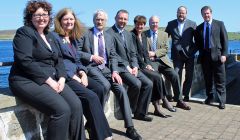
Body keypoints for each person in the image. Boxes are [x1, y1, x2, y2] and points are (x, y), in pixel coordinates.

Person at [8, 1, 85, 140]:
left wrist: (61, 78)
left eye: (45, 14)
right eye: (37, 15)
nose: (42, 18)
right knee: (61, 110)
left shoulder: (50, 36)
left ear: (49, 17)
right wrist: (50, 82)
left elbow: (59, 60)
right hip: (25, 80)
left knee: (76, 105)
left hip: (53, 78)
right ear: (30, 17)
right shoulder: (24, 32)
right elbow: (25, 61)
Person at [79, 9, 142, 140]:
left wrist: (115, 71)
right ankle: (94, 122)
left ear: (106, 21)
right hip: (92, 67)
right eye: (97, 19)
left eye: (102, 19)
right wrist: (91, 56)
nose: (100, 21)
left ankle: (130, 127)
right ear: (94, 20)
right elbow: (77, 52)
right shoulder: (85, 34)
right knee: (105, 86)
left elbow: (113, 56)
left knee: (121, 89)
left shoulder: (108, 37)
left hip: (107, 69)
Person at [53, 8, 112, 140]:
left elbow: (77, 60)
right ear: (60, 21)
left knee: (100, 88)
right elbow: (58, 61)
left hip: (77, 73)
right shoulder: (55, 37)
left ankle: (92, 125)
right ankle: (103, 135)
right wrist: (74, 77)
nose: (69, 22)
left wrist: (83, 73)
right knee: (91, 96)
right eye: (66, 19)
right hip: (66, 77)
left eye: (71, 19)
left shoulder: (72, 38)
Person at [107, 9, 153, 122]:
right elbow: (113, 54)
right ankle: (128, 111)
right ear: (116, 18)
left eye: (125, 19)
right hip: (120, 67)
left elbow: (133, 53)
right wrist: (127, 66)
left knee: (149, 84)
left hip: (132, 67)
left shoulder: (128, 34)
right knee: (136, 84)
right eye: (120, 18)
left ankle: (140, 113)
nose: (123, 21)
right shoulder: (109, 33)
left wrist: (135, 66)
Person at [131, 15, 176, 117]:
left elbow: (145, 53)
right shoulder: (132, 36)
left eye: (142, 25)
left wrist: (148, 63)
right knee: (157, 77)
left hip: (144, 64)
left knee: (156, 76)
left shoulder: (142, 36)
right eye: (138, 24)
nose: (140, 26)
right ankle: (163, 101)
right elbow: (134, 54)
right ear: (135, 24)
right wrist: (145, 65)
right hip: (136, 65)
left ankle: (158, 108)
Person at [143, 15, 191, 110]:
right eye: (153, 22)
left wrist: (155, 53)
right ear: (149, 23)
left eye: (156, 22)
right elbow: (143, 49)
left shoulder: (164, 35)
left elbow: (165, 49)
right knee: (157, 77)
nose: (155, 24)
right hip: (151, 62)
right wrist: (149, 57)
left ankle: (179, 100)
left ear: (158, 23)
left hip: (163, 61)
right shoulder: (144, 35)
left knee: (174, 75)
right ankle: (162, 101)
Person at [195, 6, 228, 109]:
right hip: (205, 57)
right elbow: (198, 43)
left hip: (218, 57)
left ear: (211, 13)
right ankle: (210, 97)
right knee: (207, 79)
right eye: (204, 14)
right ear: (202, 15)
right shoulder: (199, 28)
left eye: (208, 13)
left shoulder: (219, 24)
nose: (206, 15)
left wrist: (224, 54)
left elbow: (225, 41)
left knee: (220, 79)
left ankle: (222, 101)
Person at [165, 6, 197, 102]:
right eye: (179, 12)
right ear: (177, 13)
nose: (181, 14)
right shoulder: (171, 24)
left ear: (186, 14)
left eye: (183, 13)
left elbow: (198, 40)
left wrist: (192, 51)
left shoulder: (192, 24)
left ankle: (186, 94)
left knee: (189, 76)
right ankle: (177, 96)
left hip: (189, 55)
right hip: (176, 56)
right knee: (176, 75)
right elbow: (164, 38)